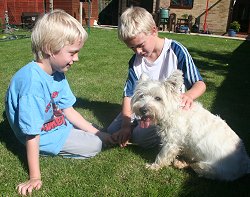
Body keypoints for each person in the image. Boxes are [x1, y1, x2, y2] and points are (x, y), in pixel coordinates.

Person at [5, 9, 112, 196]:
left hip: (57, 125)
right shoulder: (32, 84)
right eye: (72, 53)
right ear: (49, 48)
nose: (76, 59)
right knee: (94, 145)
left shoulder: (57, 73)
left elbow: (68, 110)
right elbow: (31, 134)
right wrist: (35, 177)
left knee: (96, 132)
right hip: (43, 136)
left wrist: (99, 132)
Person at [107, 7, 206, 148]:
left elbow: (200, 84)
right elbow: (128, 95)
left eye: (140, 45)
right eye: (132, 48)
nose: (138, 52)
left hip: (166, 112)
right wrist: (125, 125)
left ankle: (165, 137)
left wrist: (189, 95)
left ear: (154, 31)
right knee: (113, 130)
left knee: (140, 137)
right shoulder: (135, 61)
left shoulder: (176, 51)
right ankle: (135, 126)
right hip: (143, 105)